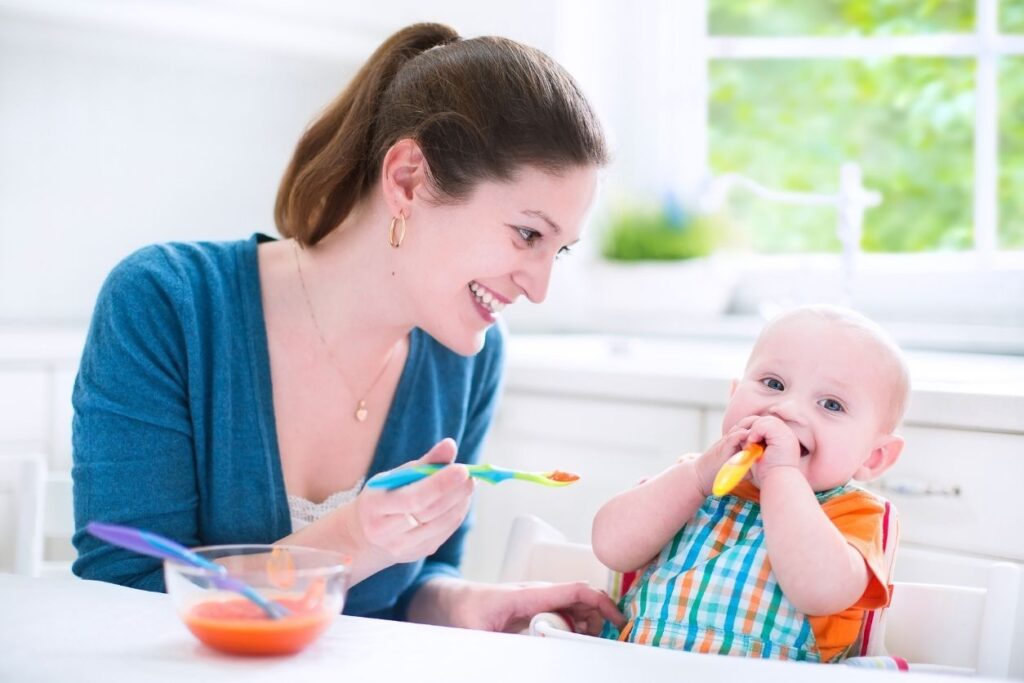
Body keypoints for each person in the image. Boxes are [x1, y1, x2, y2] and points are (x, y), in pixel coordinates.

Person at [72, 21, 623, 634]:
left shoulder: (467, 357)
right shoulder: (167, 304)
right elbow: (121, 600)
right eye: (527, 234)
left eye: (561, 250)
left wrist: (467, 604)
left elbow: (409, 585)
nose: (539, 288)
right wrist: (354, 538)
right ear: (408, 179)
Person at [592, 305, 910, 661]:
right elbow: (610, 547)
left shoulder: (854, 514)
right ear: (734, 395)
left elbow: (820, 592)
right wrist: (697, 476)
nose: (786, 409)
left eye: (831, 405)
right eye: (773, 384)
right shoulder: (693, 482)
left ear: (874, 457)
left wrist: (781, 476)